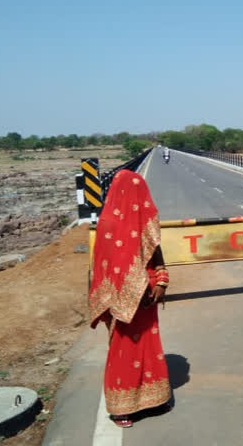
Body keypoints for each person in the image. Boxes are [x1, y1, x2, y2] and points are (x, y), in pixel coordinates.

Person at [88, 169, 171, 427]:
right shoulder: (108, 223)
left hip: (146, 292)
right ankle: (121, 408)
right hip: (121, 299)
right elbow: (102, 264)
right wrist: (119, 294)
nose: (144, 198)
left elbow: (155, 250)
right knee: (123, 350)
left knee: (148, 344)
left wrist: (162, 279)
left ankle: (151, 400)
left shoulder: (143, 220)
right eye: (138, 191)